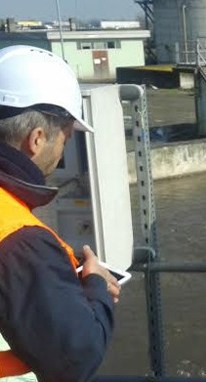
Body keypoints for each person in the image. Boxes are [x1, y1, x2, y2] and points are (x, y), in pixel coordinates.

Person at [0, 45, 120, 382]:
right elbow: (76, 357)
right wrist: (95, 284)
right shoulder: (19, 239)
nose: (61, 152)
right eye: (65, 139)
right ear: (36, 139)